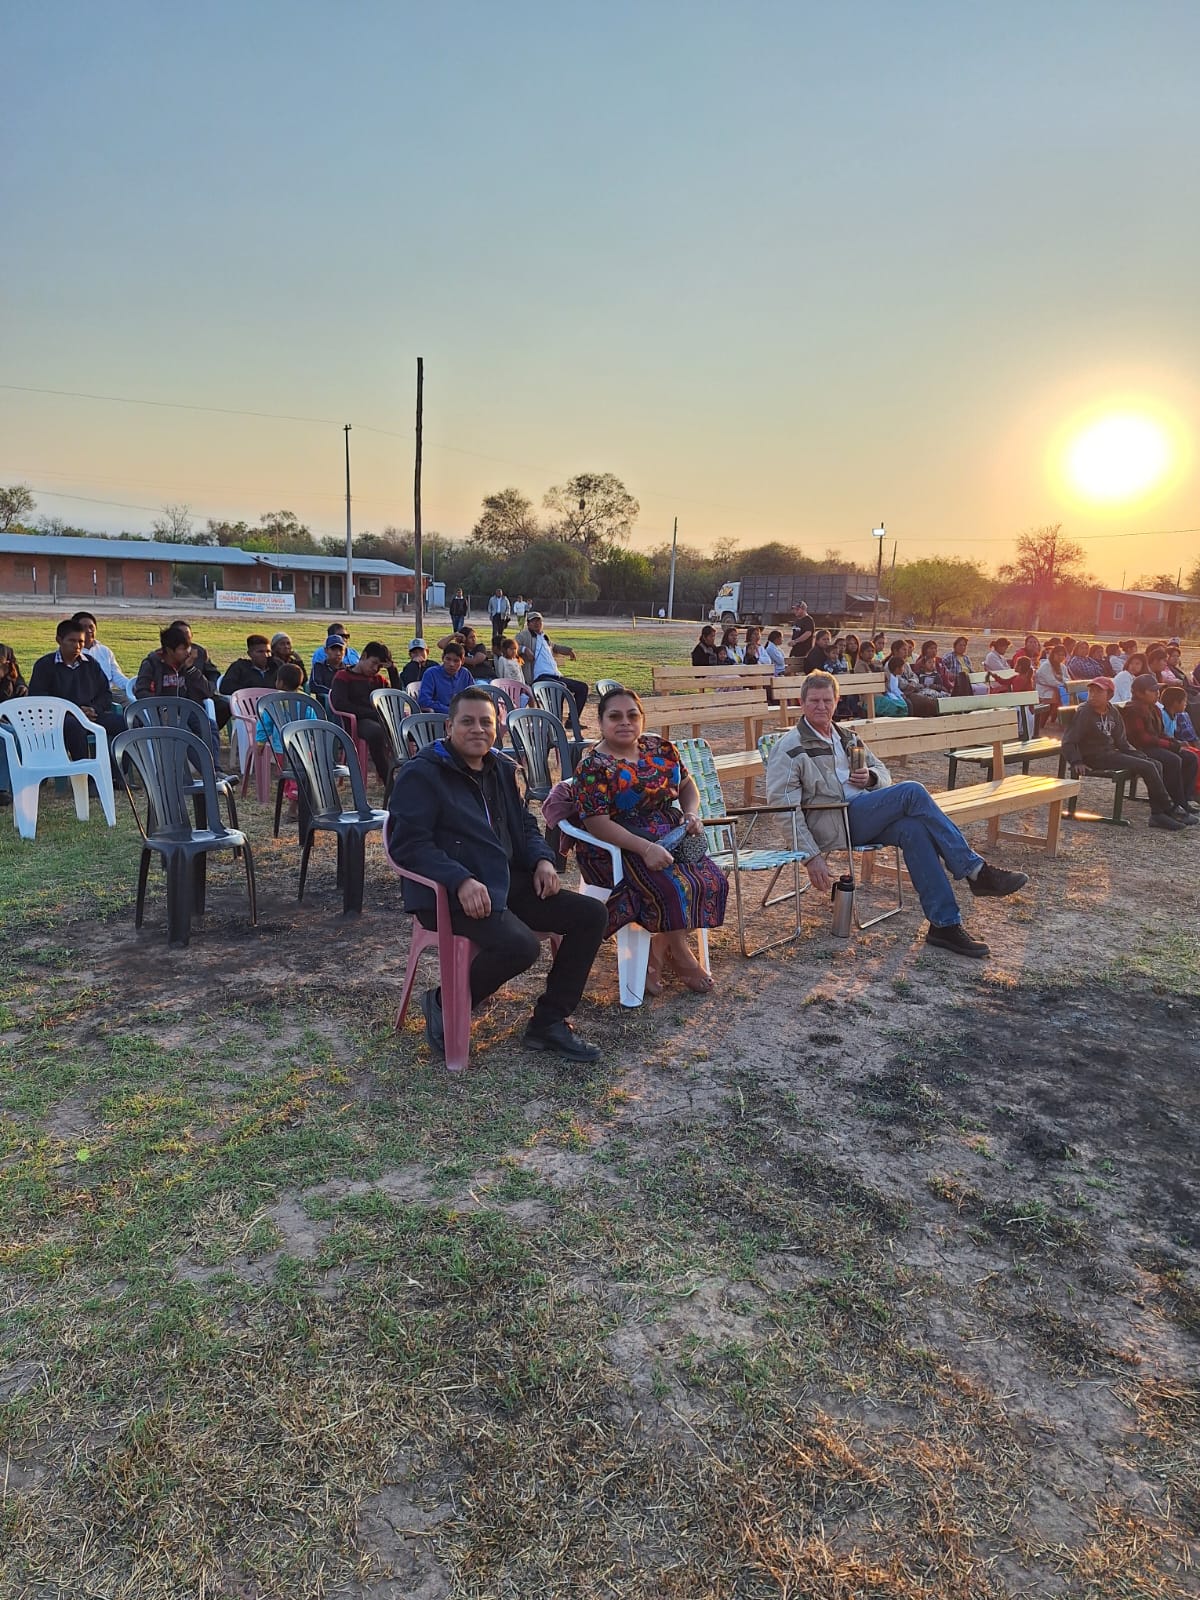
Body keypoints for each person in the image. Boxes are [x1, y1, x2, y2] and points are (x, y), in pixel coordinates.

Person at [387, 686, 606, 1060]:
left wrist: (542, 860)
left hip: (504, 884)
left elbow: (525, 825)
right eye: (467, 721)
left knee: (591, 914)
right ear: (448, 726)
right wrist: (459, 879)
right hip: (448, 895)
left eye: (486, 722)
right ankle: (443, 1002)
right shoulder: (421, 774)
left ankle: (548, 1022)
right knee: (520, 945)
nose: (477, 730)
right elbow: (409, 844)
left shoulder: (502, 769)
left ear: (498, 727)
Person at [765, 672, 1027, 958]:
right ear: (801, 703)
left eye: (827, 700)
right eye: (814, 700)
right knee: (912, 792)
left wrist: (871, 778)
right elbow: (783, 806)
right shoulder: (791, 747)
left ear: (837, 701)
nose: (821, 706)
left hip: (864, 812)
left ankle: (944, 925)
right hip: (832, 823)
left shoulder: (847, 737)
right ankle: (976, 872)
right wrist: (811, 855)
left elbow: (884, 773)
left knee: (913, 829)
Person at [572, 689, 727, 994]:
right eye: (614, 716)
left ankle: (657, 949)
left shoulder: (660, 748)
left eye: (632, 715)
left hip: (671, 834)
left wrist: (691, 813)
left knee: (712, 881)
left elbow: (687, 786)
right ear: (601, 722)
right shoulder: (593, 766)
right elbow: (596, 823)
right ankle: (682, 957)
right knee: (668, 887)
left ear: (642, 718)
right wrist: (645, 848)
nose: (625, 722)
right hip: (616, 846)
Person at [1062, 677, 1190, 831]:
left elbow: (1122, 742)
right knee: (1148, 767)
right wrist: (1076, 761)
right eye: (1091, 691)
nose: (1093, 695)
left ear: (1109, 695)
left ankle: (1158, 814)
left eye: (1098, 691)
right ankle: (1168, 808)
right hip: (1095, 757)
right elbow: (1069, 740)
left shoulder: (1113, 712)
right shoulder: (1085, 712)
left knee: (1154, 763)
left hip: (1110, 754)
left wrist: (1138, 755)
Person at [28, 618, 127, 761]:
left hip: (91, 716)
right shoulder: (45, 665)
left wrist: (94, 709)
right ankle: (84, 775)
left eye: (80, 642)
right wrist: (74, 712)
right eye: (72, 641)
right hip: (59, 720)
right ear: (59, 640)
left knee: (125, 723)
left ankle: (116, 775)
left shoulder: (90, 664)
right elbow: (39, 699)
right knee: (74, 726)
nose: (77, 646)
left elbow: (105, 693)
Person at [1120, 673, 1200, 820]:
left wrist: (1174, 742)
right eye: (1153, 690)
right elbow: (1142, 739)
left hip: (1152, 746)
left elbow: (1159, 732)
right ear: (1138, 693)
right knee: (1173, 760)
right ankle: (1175, 804)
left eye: (1158, 690)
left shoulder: (1153, 708)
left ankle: (1184, 799)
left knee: (1190, 757)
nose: (1157, 693)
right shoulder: (1133, 710)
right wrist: (1169, 745)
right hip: (1139, 750)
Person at [253, 663, 322, 820]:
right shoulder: (306, 701)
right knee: (301, 776)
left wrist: (260, 742)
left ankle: (293, 809)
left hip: (281, 748)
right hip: (303, 747)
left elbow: (265, 723)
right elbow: (313, 722)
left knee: (289, 776)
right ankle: (301, 804)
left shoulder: (273, 702)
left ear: (280, 683)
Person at [328, 641, 397, 785]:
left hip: (377, 719)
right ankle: (389, 781)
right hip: (356, 721)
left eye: (380, 667)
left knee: (405, 730)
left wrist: (392, 670)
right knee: (377, 732)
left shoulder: (378, 680)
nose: (376, 669)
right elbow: (340, 703)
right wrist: (371, 713)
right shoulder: (343, 676)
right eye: (374, 663)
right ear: (364, 656)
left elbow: (394, 695)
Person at [517, 612, 588, 715]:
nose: (537, 623)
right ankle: (556, 722)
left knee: (582, 687)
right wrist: (525, 649)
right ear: (528, 624)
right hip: (539, 678)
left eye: (539, 620)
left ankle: (572, 721)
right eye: (533, 621)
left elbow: (554, 647)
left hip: (555, 675)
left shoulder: (544, 637)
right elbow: (511, 646)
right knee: (560, 687)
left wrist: (569, 651)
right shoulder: (524, 635)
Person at [134, 621, 215, 706]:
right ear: (169, 650)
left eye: (188, 648)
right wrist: (161, 708)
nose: (188, 653)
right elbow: (141, 692)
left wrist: (191, 670)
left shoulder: (189, 665)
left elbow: (208, 692)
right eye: (183, 649)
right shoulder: (152, 664)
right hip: (160, 715)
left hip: (189, 712)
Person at [71, 612, 134, 704]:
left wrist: (132, 686)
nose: (88, 630)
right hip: (81, 697)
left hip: (106, 694)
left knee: (132, 701)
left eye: (91, 627)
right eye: (83, 627)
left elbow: (117, 676)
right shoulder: (71, 652)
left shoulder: (104, 651)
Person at [0, 643, 29, 804]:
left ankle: (21, 778)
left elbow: (18, 679)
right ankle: (3, 788)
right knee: (8, 734)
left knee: (19, 730)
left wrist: (22, 686)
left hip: (7, 714)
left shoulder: (6, 654)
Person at [418, 643, 475, 715]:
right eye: (448, 659)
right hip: (438, 717)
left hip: (462, 716)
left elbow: (474, 697)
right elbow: (424, 701)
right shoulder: (431, 674)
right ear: (442, 658)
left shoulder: (465, 674)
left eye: (456, 661)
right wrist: (450, 711)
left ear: (462, 661)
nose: (451, 664)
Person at [309, 636, 348, 703]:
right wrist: (332, 692)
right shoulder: (319, 667)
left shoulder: (348, 670)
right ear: (326, 650)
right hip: (324, 706)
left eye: (341, 649)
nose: (338, 653)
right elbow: (314, 685)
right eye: (333, 649)